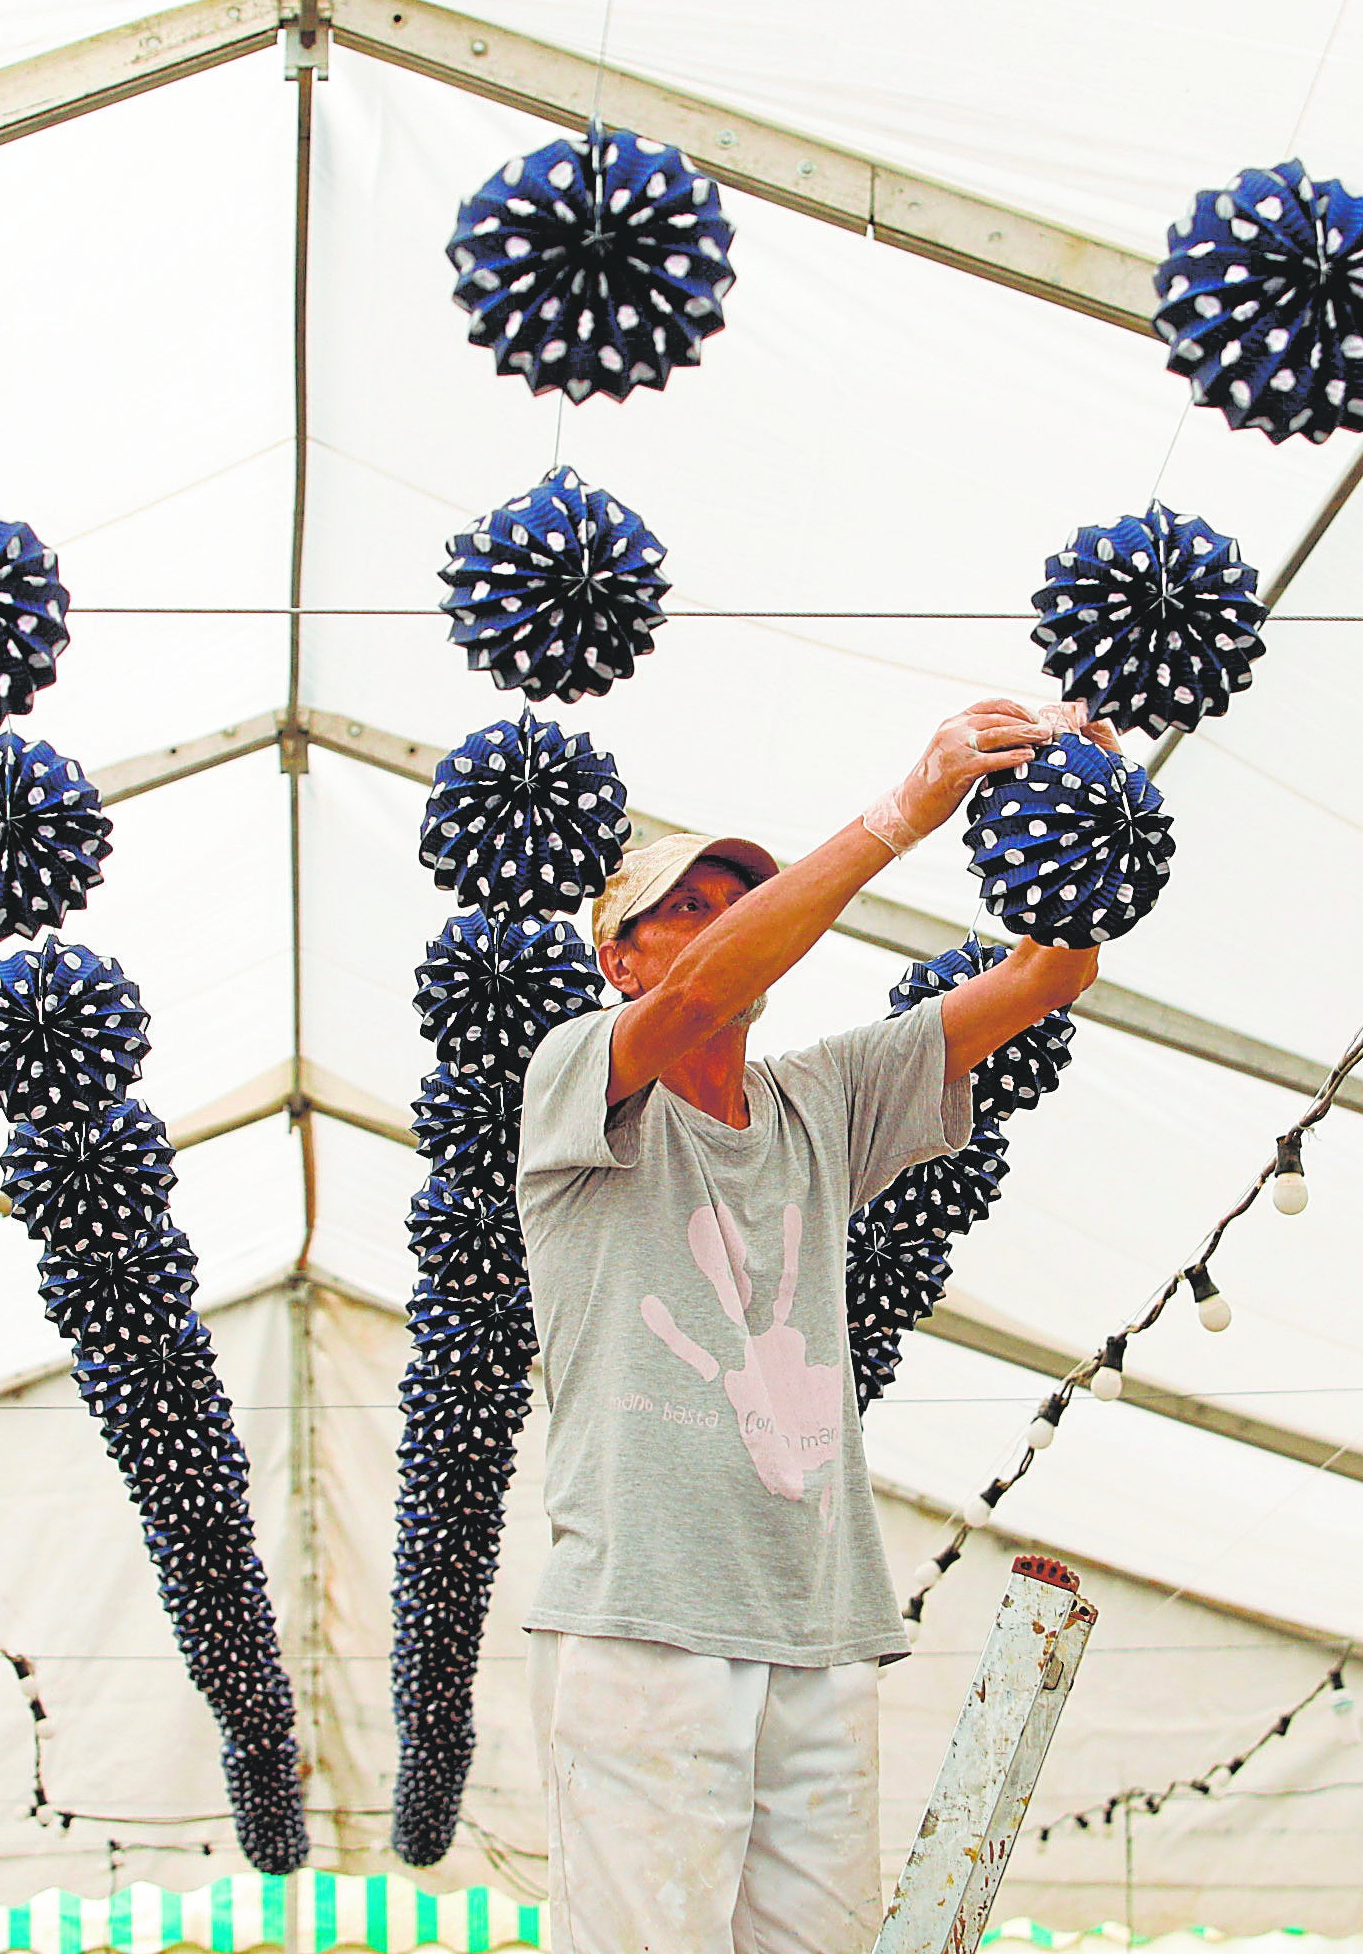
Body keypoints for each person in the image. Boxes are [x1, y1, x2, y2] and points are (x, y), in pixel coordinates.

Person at [513, 697, 1112, 1952]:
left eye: (742, 902)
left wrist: (1084, 813)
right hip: (643, 1622)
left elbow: (1053, 973)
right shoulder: (579, 1075)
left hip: (816, 1622)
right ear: (618, 957)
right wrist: (897, 817)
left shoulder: (819, 1097)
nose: (722, 926)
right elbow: (695, 1001)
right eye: (689, 906)